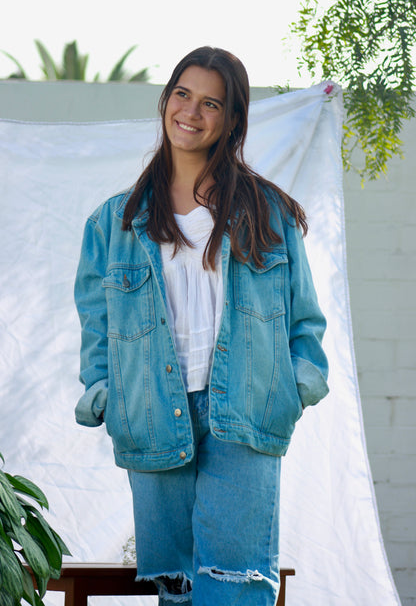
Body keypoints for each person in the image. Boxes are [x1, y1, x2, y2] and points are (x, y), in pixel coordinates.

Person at [74, 46, 329, 606]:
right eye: (182, 95)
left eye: (211, 103)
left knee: (234, 587)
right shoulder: (113, 222)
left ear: (232, 119)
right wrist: (103, 392)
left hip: (244, 405)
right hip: (150, 411)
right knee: (178, 587)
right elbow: (97, 329)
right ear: (166, 101)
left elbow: (304, 319)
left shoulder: (267, 213)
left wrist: (295, 386)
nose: (191, 112)